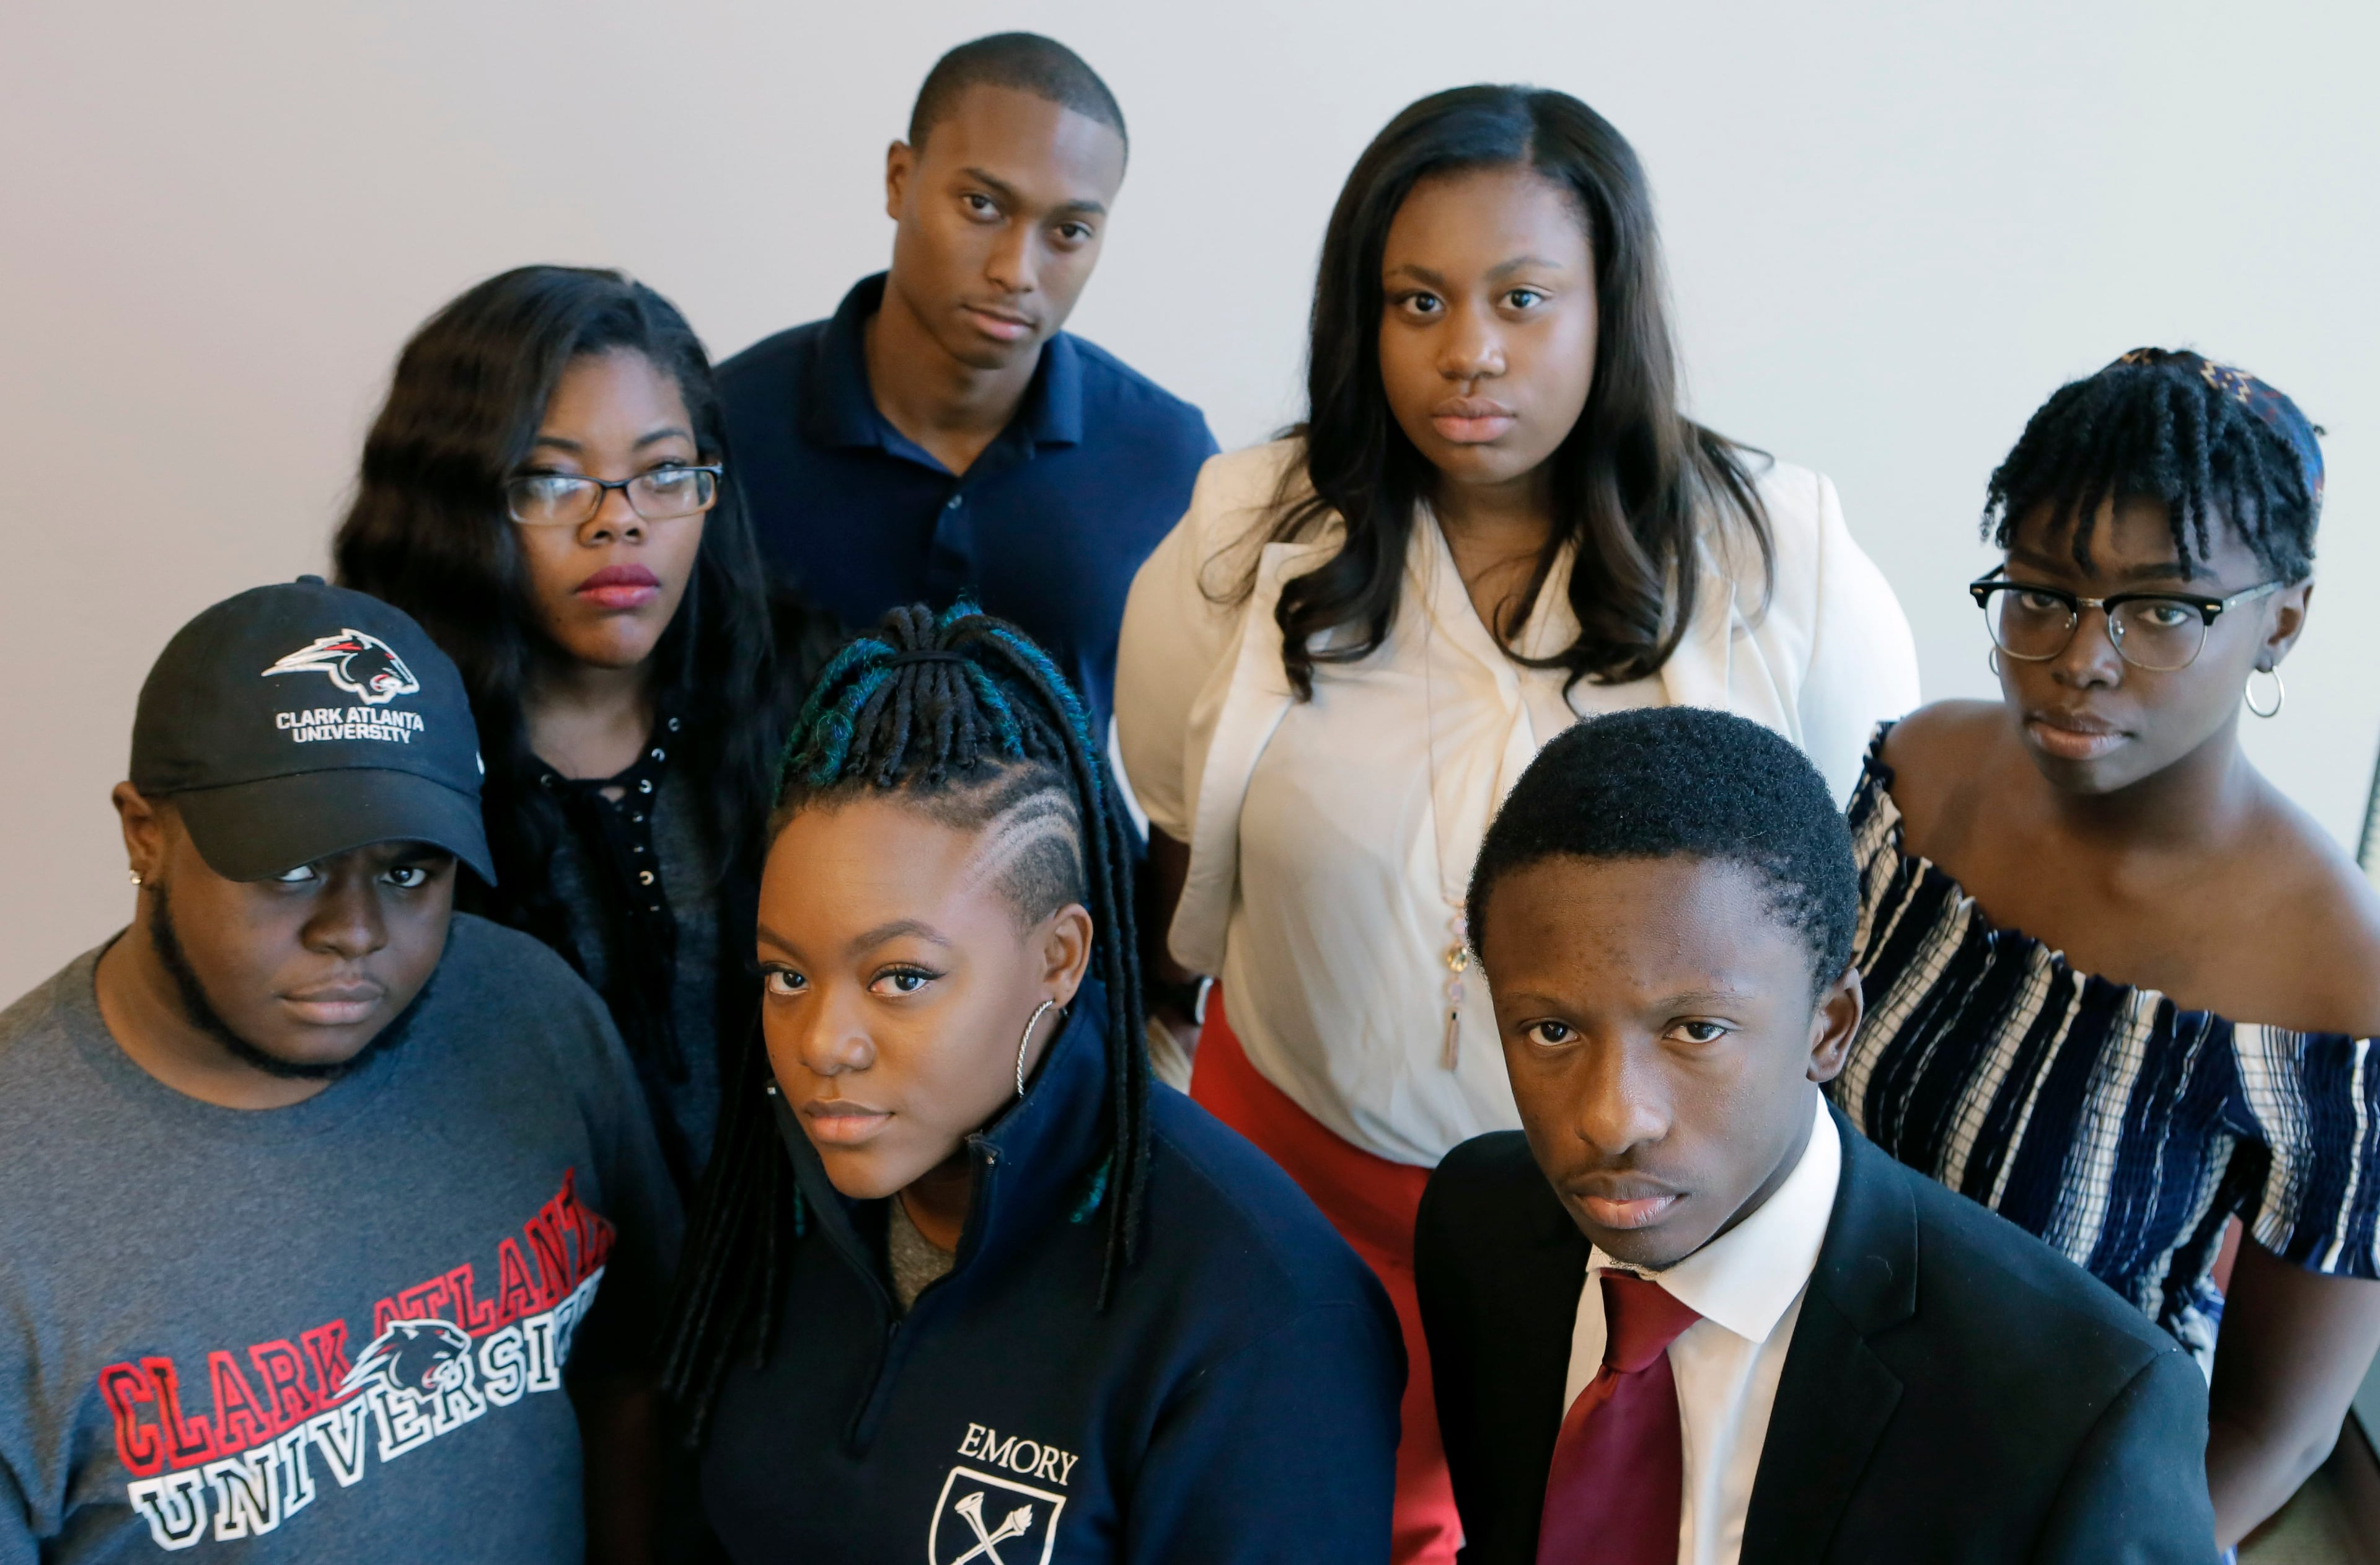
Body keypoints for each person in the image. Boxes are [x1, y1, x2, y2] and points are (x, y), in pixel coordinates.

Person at [1114, 84, 1917, 1562]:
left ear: (1609, 307)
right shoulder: (1241, 532)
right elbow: (1169, 830)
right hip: (1285, 1176)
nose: (1466, 348)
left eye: (1521, 298)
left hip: (1623, 1222)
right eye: (1415, 299)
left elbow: (1853, 881)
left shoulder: (1773, 553)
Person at [661, 605, 1402, 1563]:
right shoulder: (772, 1201)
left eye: (902, 979)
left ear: (1059, 957)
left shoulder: (1261, 1312)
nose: (823, 1044)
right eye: (787, 976)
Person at [1417, 705, 2217, 1564]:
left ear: (1830, 1028)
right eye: (1551, 1032)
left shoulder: (2077, 1407)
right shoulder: (1478, 1225)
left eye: (1697, 1031)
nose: (1614, 1119)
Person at [0, 579, 679, 1562]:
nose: (354, 933)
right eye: (290, 867)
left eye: (409, 871)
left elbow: (632, 1378)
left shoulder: (529, 1016)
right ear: (145, 833)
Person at [1831, 348, 2380, 1550]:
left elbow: (2276, 1429)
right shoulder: (1917, 778)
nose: (2083, 658)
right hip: (1795, 1404)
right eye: (2042, 591)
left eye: (2165, 609)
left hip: (2057, 1494)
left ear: (2282, 620)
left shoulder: (2336, 980)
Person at [337, 265, 820, 1201]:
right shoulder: (378, 766)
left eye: (663, 473)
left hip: (797, 1308)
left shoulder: (804, 705)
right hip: (512, 1313)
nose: (620, 522)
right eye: (553, 480)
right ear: (454, 505)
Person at [717, 32, 1217, 743]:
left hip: (1077, 857)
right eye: (983, 205)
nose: (1016, 270)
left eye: (1069, 230)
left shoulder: (1165, 456)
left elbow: (1201, 761)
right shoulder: (728, 428)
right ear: (899, 179)